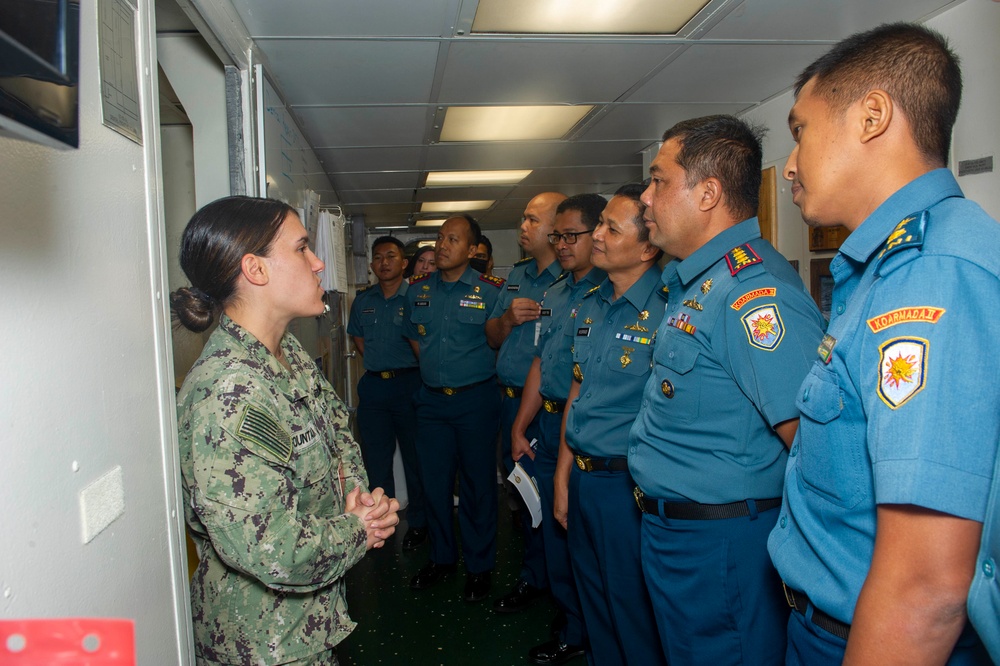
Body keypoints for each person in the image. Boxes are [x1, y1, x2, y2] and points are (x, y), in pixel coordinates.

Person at [766, 23, 1000, 664]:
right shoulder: (887, 268)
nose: (790, 163)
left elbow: (924, 590)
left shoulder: (934, 274)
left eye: (800, 131)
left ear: (872, 116)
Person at [628, 115, 826, 665]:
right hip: (675, 533)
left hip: (722, 545)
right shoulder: (699, 283)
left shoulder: (752, 294)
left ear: (709, 192)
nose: (645, 198)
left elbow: (812, 447)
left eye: (659, 180)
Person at [172, 196, 399, 666]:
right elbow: (272, 547)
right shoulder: (230, 391)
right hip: (262, 643)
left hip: (309, 625)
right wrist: (359, 529)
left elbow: (338, 437)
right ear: (255, 270)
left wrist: (355, 497)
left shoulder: (288, 355)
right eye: (302, 249)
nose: (318, 264)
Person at [554, 184, 667, 666]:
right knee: (595, 603)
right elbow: (577, 395)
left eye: (609, 228)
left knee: (632, 614)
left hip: (629, 487)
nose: (596, 235)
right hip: (583, 478)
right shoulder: (592, 304)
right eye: (598, 225)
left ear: (647, 247)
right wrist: (562, 477)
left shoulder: (668, 311)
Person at [511, 193, 607, 665]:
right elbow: (539, 363)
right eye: (559, 236)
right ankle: (571, 616)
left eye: (573, 236)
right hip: (546, 423)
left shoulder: (608, 296)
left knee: (577, 536)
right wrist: (520, 426)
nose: (563, 245)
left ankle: (580, 627)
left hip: (581, 429)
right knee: (552, 528)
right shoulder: (553, 294)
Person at [403, 214, 505, 603]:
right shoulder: (417, 291)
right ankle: (442, 559)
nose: (443, 245)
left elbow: (500, 342)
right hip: (430, 402)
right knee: (435, 485)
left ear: (472, 249)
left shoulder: (491, 291)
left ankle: (479, 568)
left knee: (479, 487)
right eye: (440, 237)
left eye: (454, 239)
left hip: (476, 401)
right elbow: (416, 340)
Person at [485, 192, 566, 614]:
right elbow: (493, 337)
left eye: (533, 220)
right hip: (510, 402)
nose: (523, 227)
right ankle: (534, 576)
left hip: (546, 411)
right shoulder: (514, 277)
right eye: (523, 219)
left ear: (557, 229)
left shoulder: (570, 282)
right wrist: (506, 319)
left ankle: (554, 585)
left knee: (552, 503)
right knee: (526, 501)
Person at [347, 236, 428, 552]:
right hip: (375, 388)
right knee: (376, 462)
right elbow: (358, 338)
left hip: (409, 384)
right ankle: (380, 524)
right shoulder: (363, 300)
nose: (384, 262)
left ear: (403, 263)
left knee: (415, 459)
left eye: (391, 256)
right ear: (371, 265)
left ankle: (419, 524)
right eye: (378, 257)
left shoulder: (415, 298)